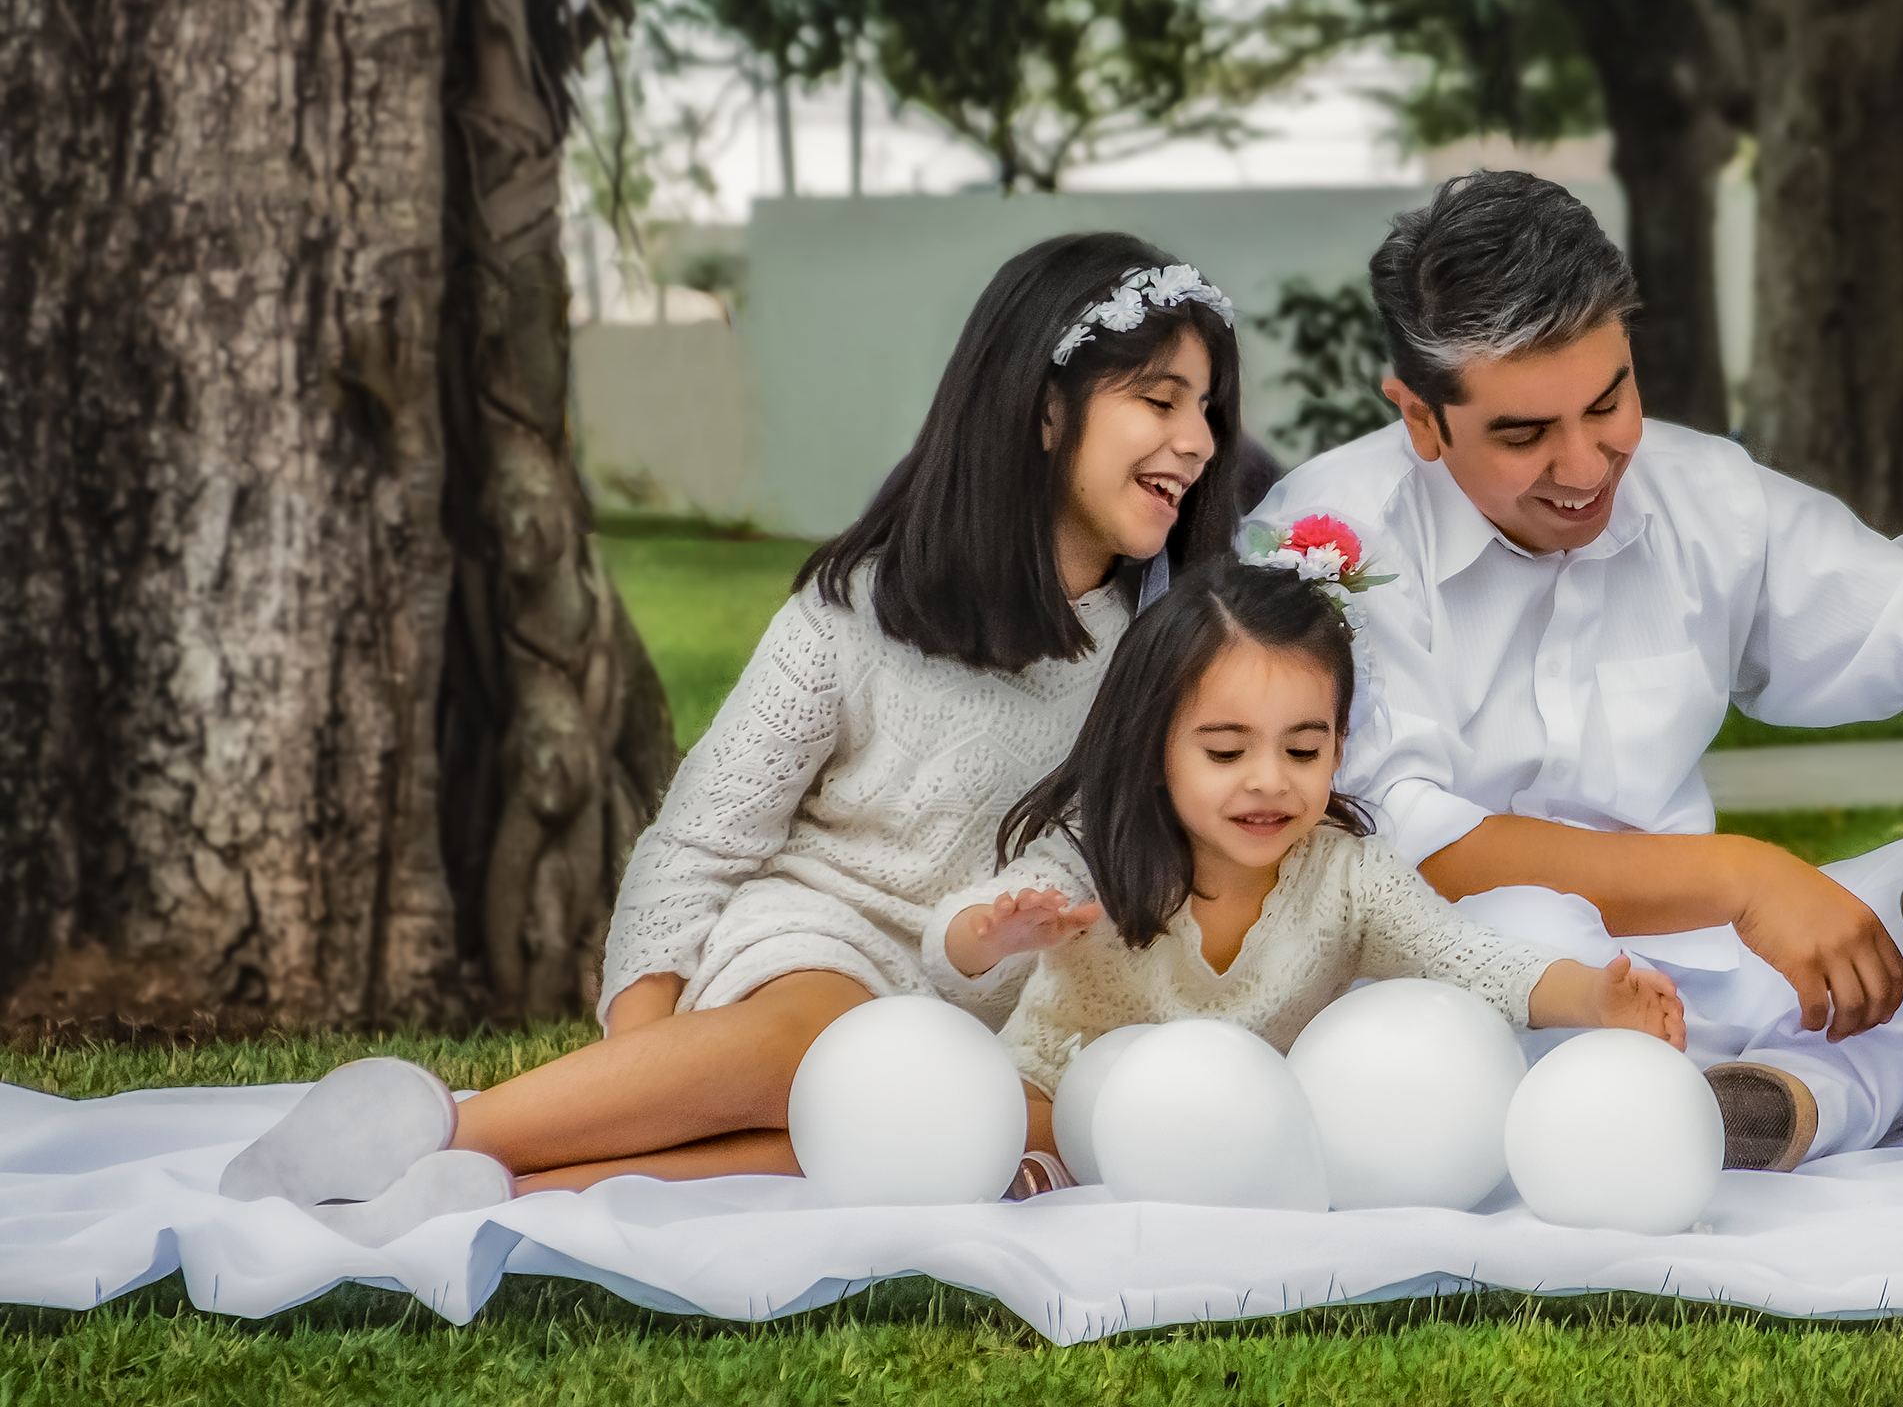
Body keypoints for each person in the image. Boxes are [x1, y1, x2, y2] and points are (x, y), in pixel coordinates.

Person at [214, 235, 1247, 1240]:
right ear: (1045, 408)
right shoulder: (859, 612)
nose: (1198, 441)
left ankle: (497, 1185)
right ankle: (427, 1128)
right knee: (832, 1039)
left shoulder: (1158, 655)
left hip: (971, 1018)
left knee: (970, 1125)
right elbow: (698, 839)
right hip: (811, 954)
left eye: (1207, 409)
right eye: (1159, 400)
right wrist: (657, 1057)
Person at [1248, 172, 1903, 1172]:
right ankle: (1798, 1092)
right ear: (1419, 417)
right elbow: (1406, 847)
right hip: (1474, 971)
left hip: (1724, 962)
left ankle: (1771, 1104)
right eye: (1524, 434)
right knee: (1523, 931)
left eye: (1607, 401)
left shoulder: (1699, 490)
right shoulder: (1324, 536)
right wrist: (1741, 877)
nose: (1585, 467)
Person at [930, 545, 1684, 1188]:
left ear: (1338, 745)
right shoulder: (1094, 854)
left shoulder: (1350, 877)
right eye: (1225, 751)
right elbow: (955, 943)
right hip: (1072, 1095)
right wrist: (992, 934)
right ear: (1152, 745)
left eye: (1301, 750)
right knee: (1018, 1110)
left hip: (1248, 1129)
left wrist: (1594, 998)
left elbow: (1471, 958)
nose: (1268, 780)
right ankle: (1044, 1176)